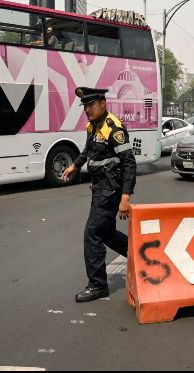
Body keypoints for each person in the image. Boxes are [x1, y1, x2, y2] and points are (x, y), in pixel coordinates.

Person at [61, 86, 137, 303]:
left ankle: (98, 285)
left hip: (110, 189)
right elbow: (87, 150)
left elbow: (129, 164)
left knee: (92, 233)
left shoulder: (114, 129)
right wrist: (75, 165)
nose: (87, 109)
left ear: (103, 103)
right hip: (99, 188)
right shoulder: (93, 126)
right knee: (105, 232)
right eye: (85, 106)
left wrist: (125, 198)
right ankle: (138, 254)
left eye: (91, 105)